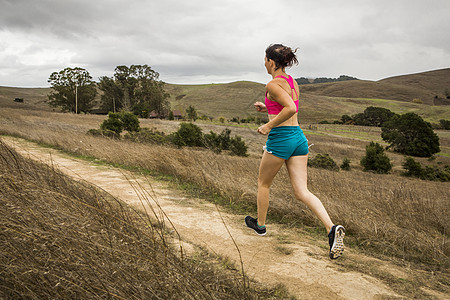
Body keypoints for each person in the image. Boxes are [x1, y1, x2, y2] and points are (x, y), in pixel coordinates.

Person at [245, 44, 345, 259]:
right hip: (298, 138)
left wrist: (268, 126)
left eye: (265, 59)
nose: (264, 63)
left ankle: (260, 225)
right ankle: (331, 228)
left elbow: (291, 108)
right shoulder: (292, 82)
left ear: (271, 62)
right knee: (302, 192)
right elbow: (287, 106)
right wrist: (267, 108)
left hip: (281, 138)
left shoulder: (272, 84)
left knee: (263, 183)